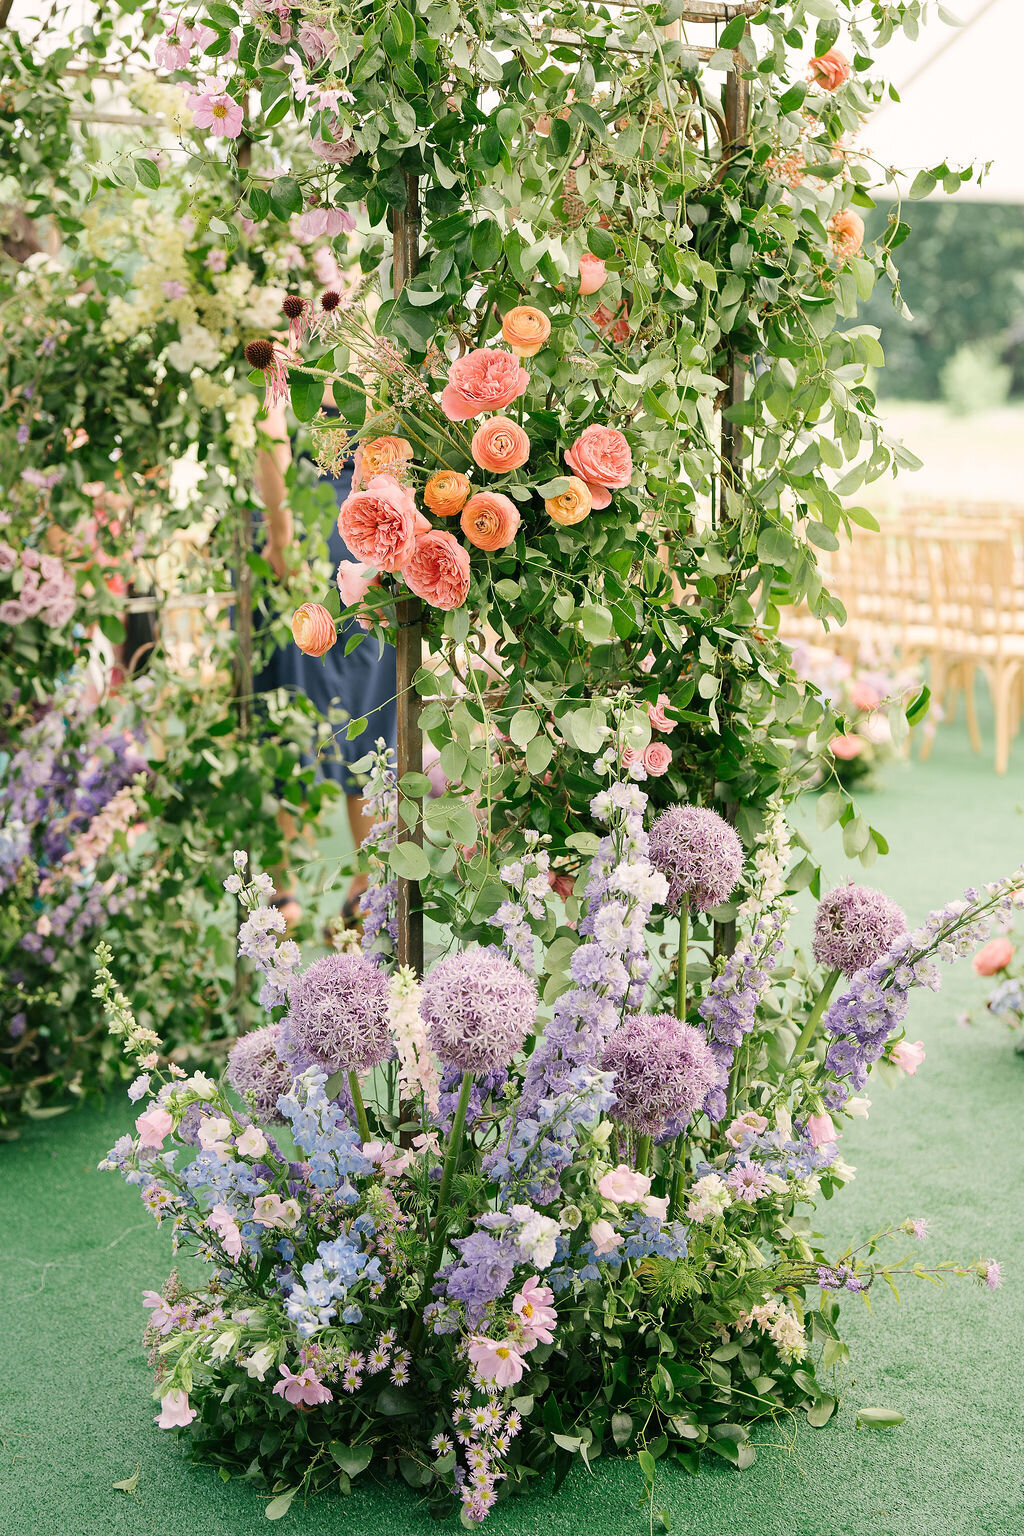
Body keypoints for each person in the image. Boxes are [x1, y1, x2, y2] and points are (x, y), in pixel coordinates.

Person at [254, 402, 396, 927]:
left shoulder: (274, 349)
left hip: (302, 531)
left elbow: (268, 437)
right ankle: (367, 883)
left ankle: (280, 890)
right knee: (366, 709)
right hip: (358, 537)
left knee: (293, 712)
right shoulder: (374, 338)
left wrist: (279, 535)